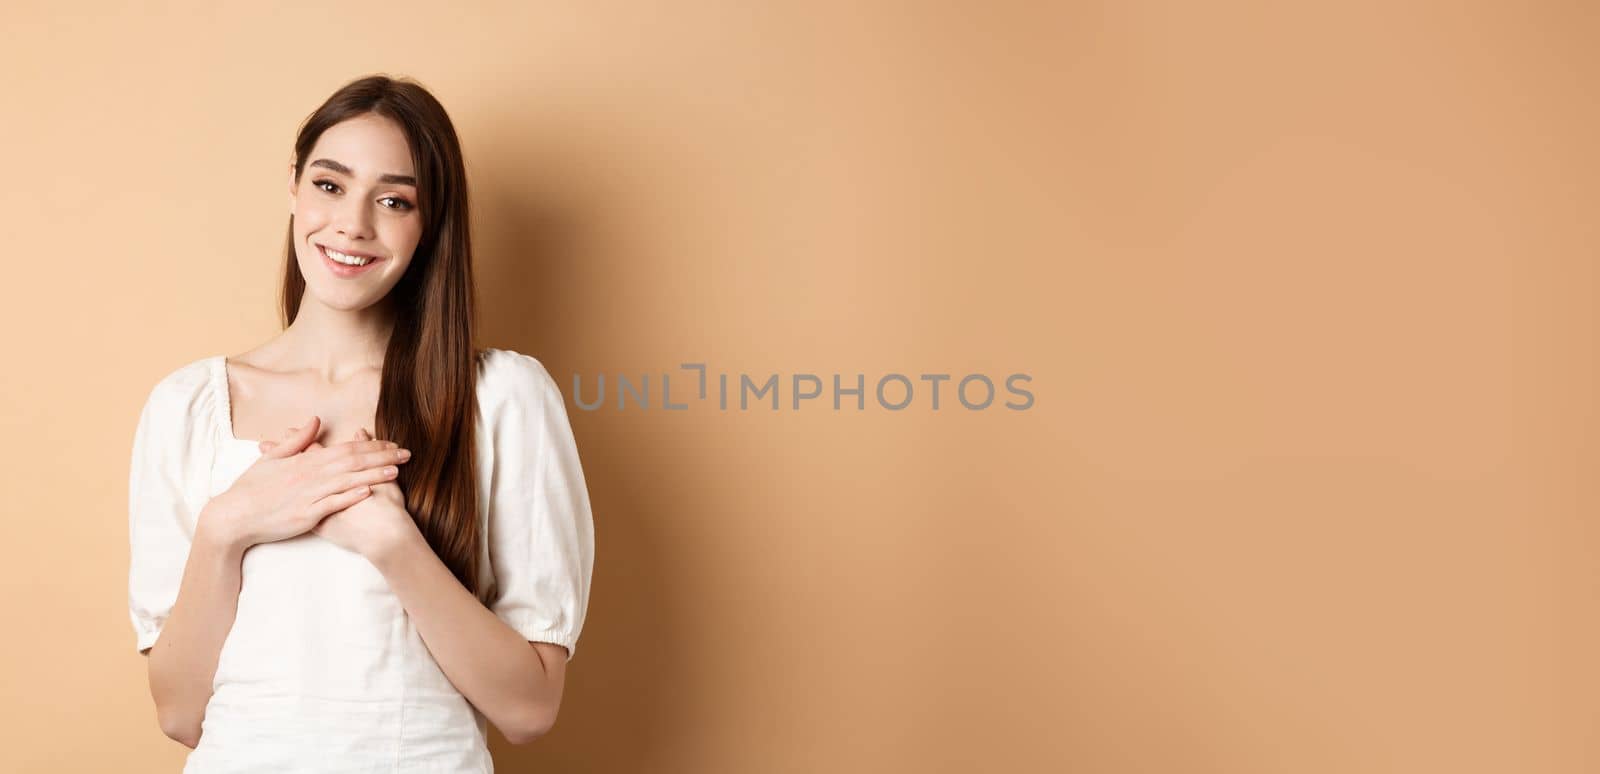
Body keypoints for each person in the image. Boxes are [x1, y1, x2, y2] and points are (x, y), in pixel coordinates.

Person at [126, 74, 595, 772]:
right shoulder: (187, 406)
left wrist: (392, 543)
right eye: (329, 185)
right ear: (293, 185)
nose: (352, 224)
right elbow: (180, 714)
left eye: (393, 200)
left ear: (429, 221)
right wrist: (230, 526)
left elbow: (529, 708)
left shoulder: (501, 399)